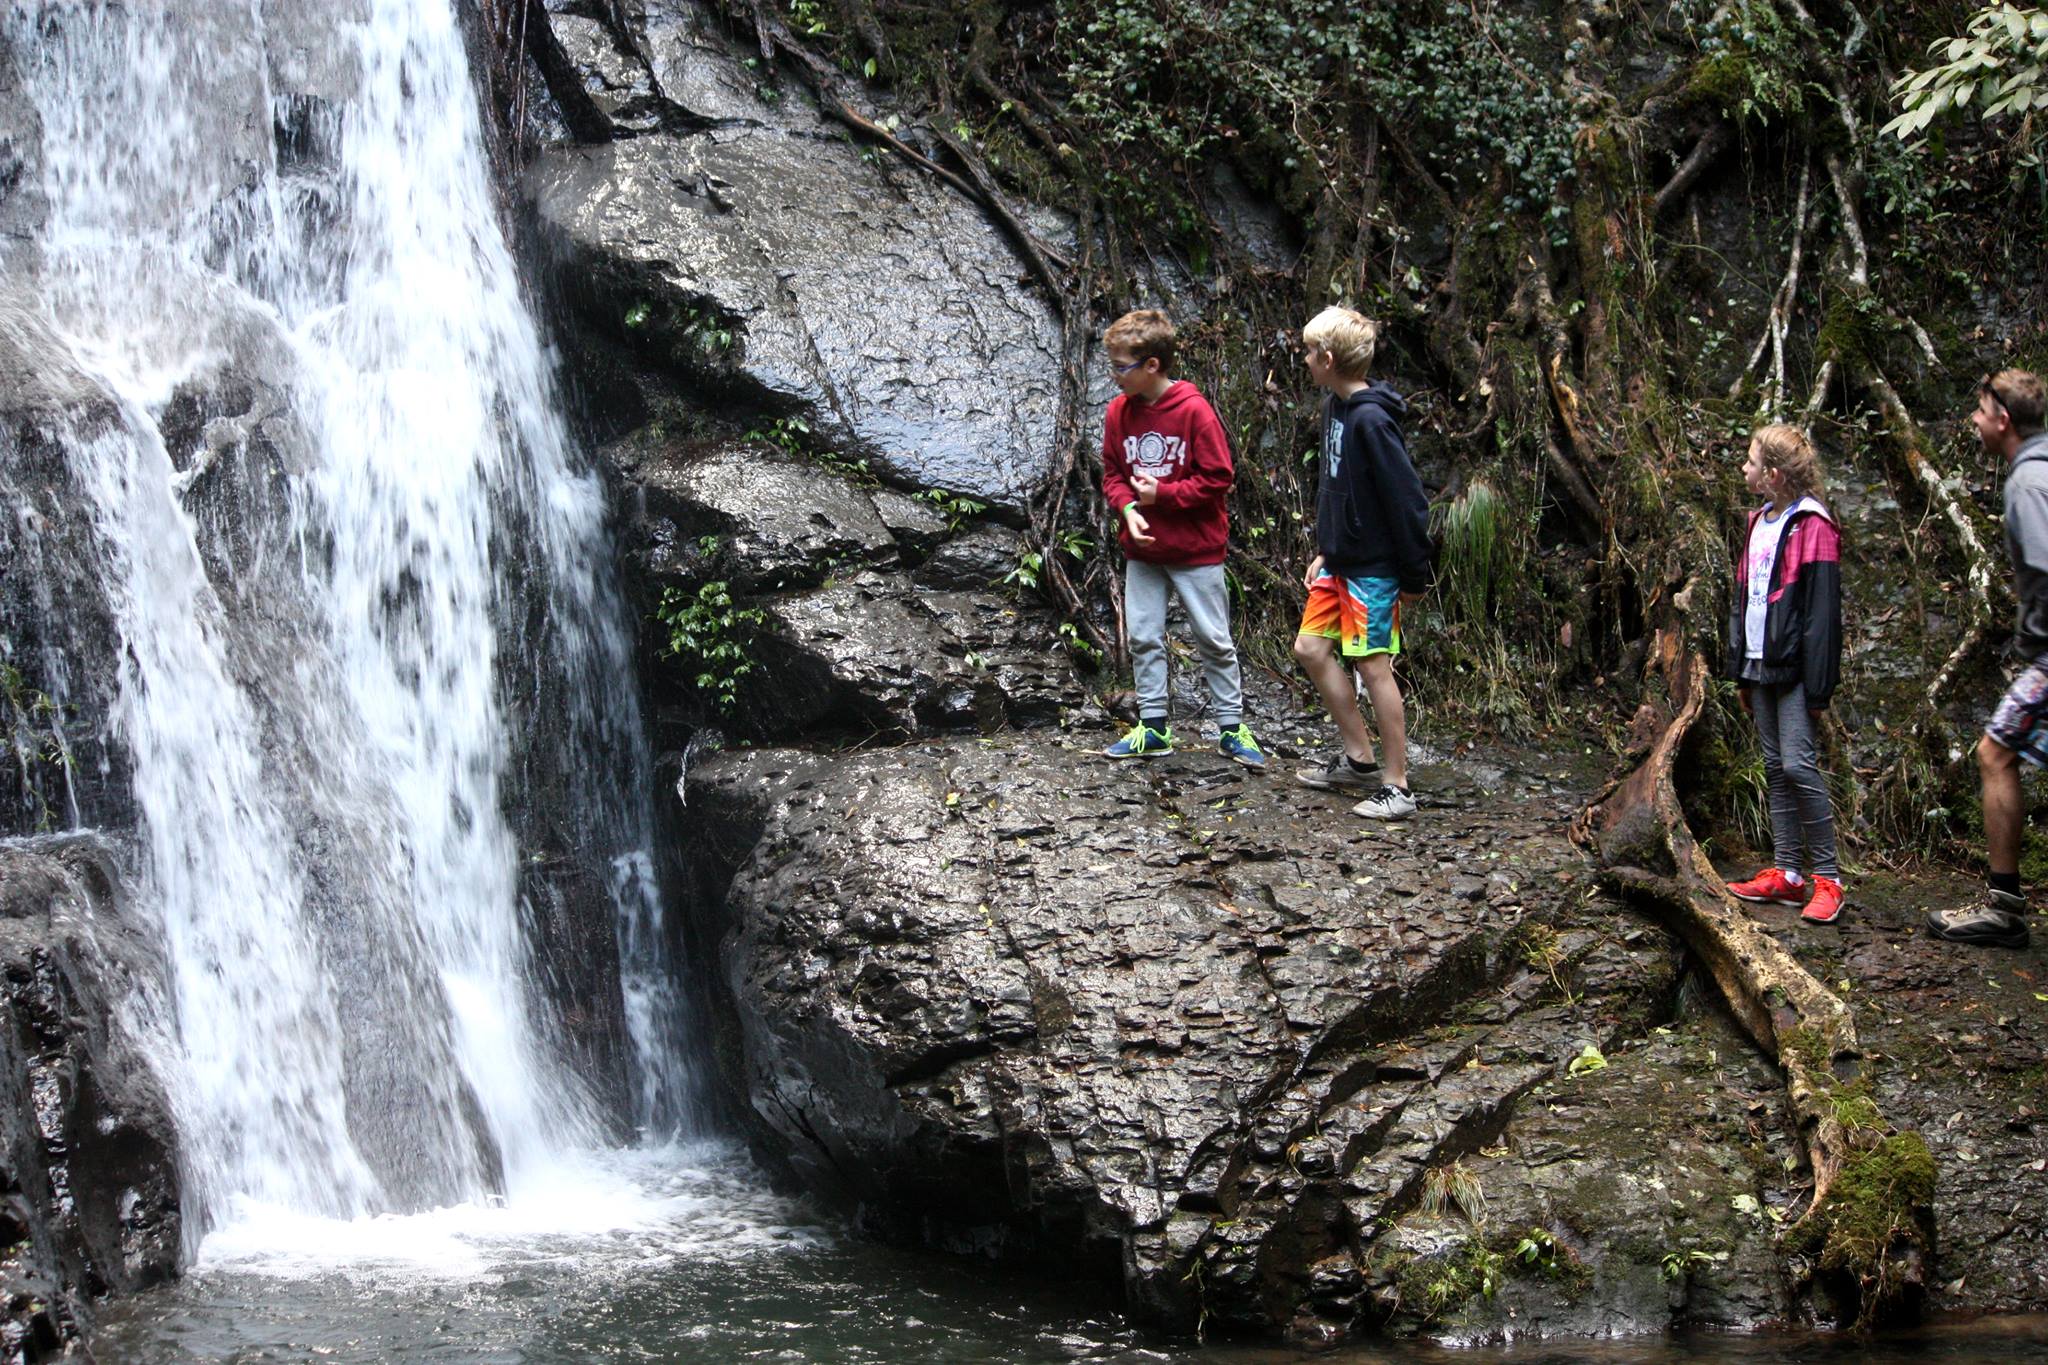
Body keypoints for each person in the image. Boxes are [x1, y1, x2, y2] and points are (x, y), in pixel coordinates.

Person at [1098, 309, 1265, 768]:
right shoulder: (1119, 412)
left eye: (1121, 366)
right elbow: (1113, 474)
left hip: (1196, 550)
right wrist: (1129, 509)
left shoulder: (1193, 410)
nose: (1114, 376)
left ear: (1152, 365)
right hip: (1144, 550)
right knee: (1145, 637)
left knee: (1213, 638)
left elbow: (1218, 476)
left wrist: (1164, 495)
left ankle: (1232, 729)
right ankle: (1153, 727)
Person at [1290, 306, 1429, 819]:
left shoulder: (1372, 421)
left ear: (1327, 358)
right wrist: (1327, 547)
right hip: (1340, 560)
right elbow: (1340, 489)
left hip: (1374, 569)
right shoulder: (1335, 407)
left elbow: (1407, 502)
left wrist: (1414, 576)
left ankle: (1398, 786)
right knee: (1310, 648)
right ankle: (1359, 759)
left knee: (1373, 666)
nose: (1304, 360)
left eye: (1309, 353)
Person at [1929, 369, 2048, 949]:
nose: (1973, 421)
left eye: (1979, 411)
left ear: (2002, 418)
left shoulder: (2028, 483)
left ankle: (2002, 909)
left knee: (1995, 752)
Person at [1720, 425, 1847, 926]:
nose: (1744, 469)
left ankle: (1830, 880)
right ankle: (1790, 875)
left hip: (1795, 668)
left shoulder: (1812, 524)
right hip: (1759, 662)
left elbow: (1822, 614)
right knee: (1774, 766)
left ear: (1772, 474)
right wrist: (1741, 671)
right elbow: (1743, 598)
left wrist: (1818, 686)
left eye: (1750, 462)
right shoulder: (1758, 522)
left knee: (1798, 766)